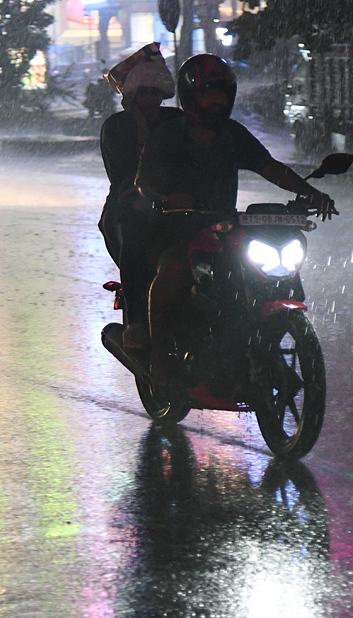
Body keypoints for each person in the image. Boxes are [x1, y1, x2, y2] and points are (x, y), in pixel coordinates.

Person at [136, 54, 337, 386]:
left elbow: (270, 167)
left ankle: (253, 346)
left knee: (258, 274)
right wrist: (169, 197)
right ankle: (159, 355)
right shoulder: (170, 135)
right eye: (208, 94)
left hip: (223, 229)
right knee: (173, 270)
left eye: (223, 94)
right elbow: (145, 181)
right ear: (190, 97)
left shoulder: (233, 135)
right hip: (177, 228)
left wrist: (310, 193)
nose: (217, 101)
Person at [98, 44, 184, 349]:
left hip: (178, 206)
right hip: (128, 208)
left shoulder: (175, 121)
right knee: (136, 240)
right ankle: (136, 324)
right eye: (143, 93)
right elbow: (131, 176)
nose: (150, 99)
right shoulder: (116, 127)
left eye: (155, 92)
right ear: (132, 96)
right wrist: (140, 127)